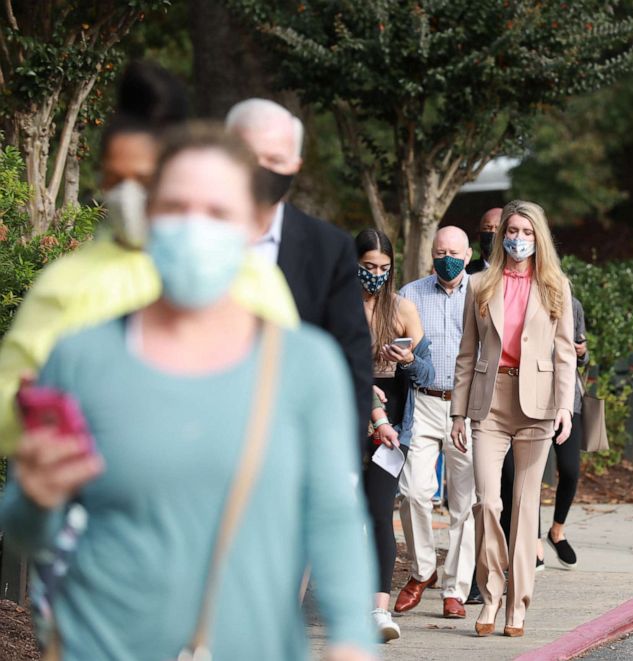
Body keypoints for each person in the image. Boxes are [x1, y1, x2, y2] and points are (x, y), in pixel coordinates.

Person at [0, 124, 377, 660]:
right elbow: (28, 531)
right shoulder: (79, 357)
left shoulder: (305, 365)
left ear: (253, 225)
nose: (194, 228)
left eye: (217, 212)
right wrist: (35, 500)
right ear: (149, 217)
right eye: (176, 207)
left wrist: (351, 640)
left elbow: (335, 518)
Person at [0, 65, 298, 454]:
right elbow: (9, 408)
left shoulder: (249, 277)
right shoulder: (66, 282)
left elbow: (295, 400)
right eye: (113, 180)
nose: (127, 195)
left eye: (143, 181)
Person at [450, 200, 576, 638]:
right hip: (491, 401)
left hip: (537, 405)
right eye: (512, 230)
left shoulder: (556, 284)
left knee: (524, 508)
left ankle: (517, 606)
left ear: (538, 236)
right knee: (487, 501)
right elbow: (467, 353)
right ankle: (490, 596)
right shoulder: (481, 283)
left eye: (526, 231)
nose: (518, 238)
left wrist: (564, 407)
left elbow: (564, 352)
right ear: (501, 234)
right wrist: (458, 411)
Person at [225, 99, 373, 453]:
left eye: (275, 160)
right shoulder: (189, 236)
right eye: (249, 156)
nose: (261, 170)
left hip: (295, 446)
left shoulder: (328, 249)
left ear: (295, 165)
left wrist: (342, 459)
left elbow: (351, 360)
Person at [355, 228, 434, 642]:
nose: (376, 275)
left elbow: (428, 373)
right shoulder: (341, 308)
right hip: (345, 421)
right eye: (368, 267)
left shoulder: (402, 309)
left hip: (391, 431)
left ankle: (378, 609)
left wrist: (406, 360)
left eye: (384, 268)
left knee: (380, 513)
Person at [394, 226, 478, 619]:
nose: (446, 257)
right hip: (423, 402)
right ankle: (422, 569)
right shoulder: (411, 294)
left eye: (454, 252)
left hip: (467, 407)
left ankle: (455, 589)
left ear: (468, 255)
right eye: (439, 250)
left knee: (464, 502)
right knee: (413, 491)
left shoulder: (481, 293)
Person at [503, 295, 589, 571]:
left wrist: (582, 353)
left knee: (570, 469)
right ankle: (535, 540)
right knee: (531, 472)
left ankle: (557, 531)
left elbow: (583, 355)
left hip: (567, 400)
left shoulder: (571, 304)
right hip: (532, 399)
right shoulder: (520, 300)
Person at [466, 207, 502, 274]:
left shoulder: (520, 275)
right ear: (478, 235)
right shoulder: (466, 273)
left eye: (499, 229)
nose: (493, 232)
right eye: (486, 228)